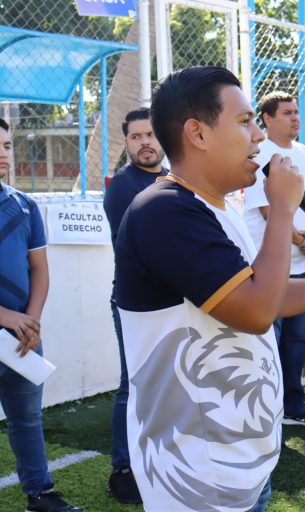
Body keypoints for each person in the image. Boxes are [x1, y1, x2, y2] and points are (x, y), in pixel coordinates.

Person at [114, 67, 305, 512]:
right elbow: (257, 312)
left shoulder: (214, 209)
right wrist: (281, 209)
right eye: (245, 121)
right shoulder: (164, 211)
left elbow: (257, 293)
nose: (258, 136)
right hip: (197, 472)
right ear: (196, 133)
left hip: (238, 460)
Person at [0, 118, 83, 512]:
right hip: (10, 327)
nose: (4, 153)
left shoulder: (24, 204)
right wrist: (7, 317)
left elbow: (40, 270)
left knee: (27, 420)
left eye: (7, 145)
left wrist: (30, 320)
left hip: (23, 338)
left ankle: (41, 495)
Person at [243, 91, 305, 429]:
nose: (295, 118)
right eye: (287, 113)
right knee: (269, 341)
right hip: (269, 266)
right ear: (266, 118)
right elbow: (268, 209)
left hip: (301, 265)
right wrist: (302, 241)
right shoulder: (259, 152)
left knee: (297, 341)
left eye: (296, 112)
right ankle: (265, 413)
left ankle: (293, 406)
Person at [102, 108, 167, 505]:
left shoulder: (173, 181)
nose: (145, 142)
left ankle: (157, 461)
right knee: (134, 386)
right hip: (134, 305)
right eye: (136, 136)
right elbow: (153, 247)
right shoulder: (123, 188)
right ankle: (122, 469)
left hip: (171, 304)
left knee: (166, 386)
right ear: (126, 143)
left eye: (150, 134)